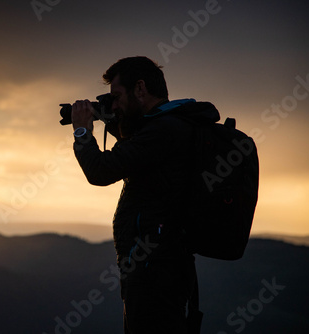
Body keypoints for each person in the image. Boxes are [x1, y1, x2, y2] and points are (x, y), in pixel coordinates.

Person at [71, 56, 218, 333]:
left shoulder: (165, 130)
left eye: (117, 96)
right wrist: (110, 115)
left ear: (140, 88)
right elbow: (135, 148)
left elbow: (100, 172)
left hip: (155, 273)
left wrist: (82, 131)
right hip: (160, 267)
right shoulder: (171, 126)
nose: (114, 104)